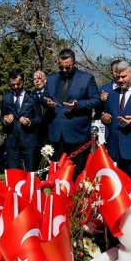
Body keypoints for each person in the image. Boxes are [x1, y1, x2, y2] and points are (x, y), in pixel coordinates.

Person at [43, 49, 100, 177]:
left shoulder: (86, 78)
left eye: (67, 67)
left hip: (77, 135)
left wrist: (78, 105)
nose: (64, 70)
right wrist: (47, 102)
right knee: (57, 173)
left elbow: (96, 100)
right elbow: (44, 97)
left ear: (74, 64)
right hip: (56, 134)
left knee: (77, 173)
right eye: (61, 67)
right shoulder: (51, 79)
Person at [1, 69, 43, 171]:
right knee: (13, 174)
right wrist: (5, 120)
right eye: (12, 85)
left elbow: (39, 118)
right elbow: (2, 117)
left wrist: (30, 122)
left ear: (23, 82)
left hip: (29, 141)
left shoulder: (33, 97)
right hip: (12, 142)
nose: (15, 87)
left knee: (31, 173)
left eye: (18, 84)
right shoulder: (6, 98)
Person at [33, 70, 48, 149]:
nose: (37, 81)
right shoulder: (30, 96)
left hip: (50, 132)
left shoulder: (52, 93)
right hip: (37, 134)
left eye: (39, 78)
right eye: (34, 79)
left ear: (45, 80)